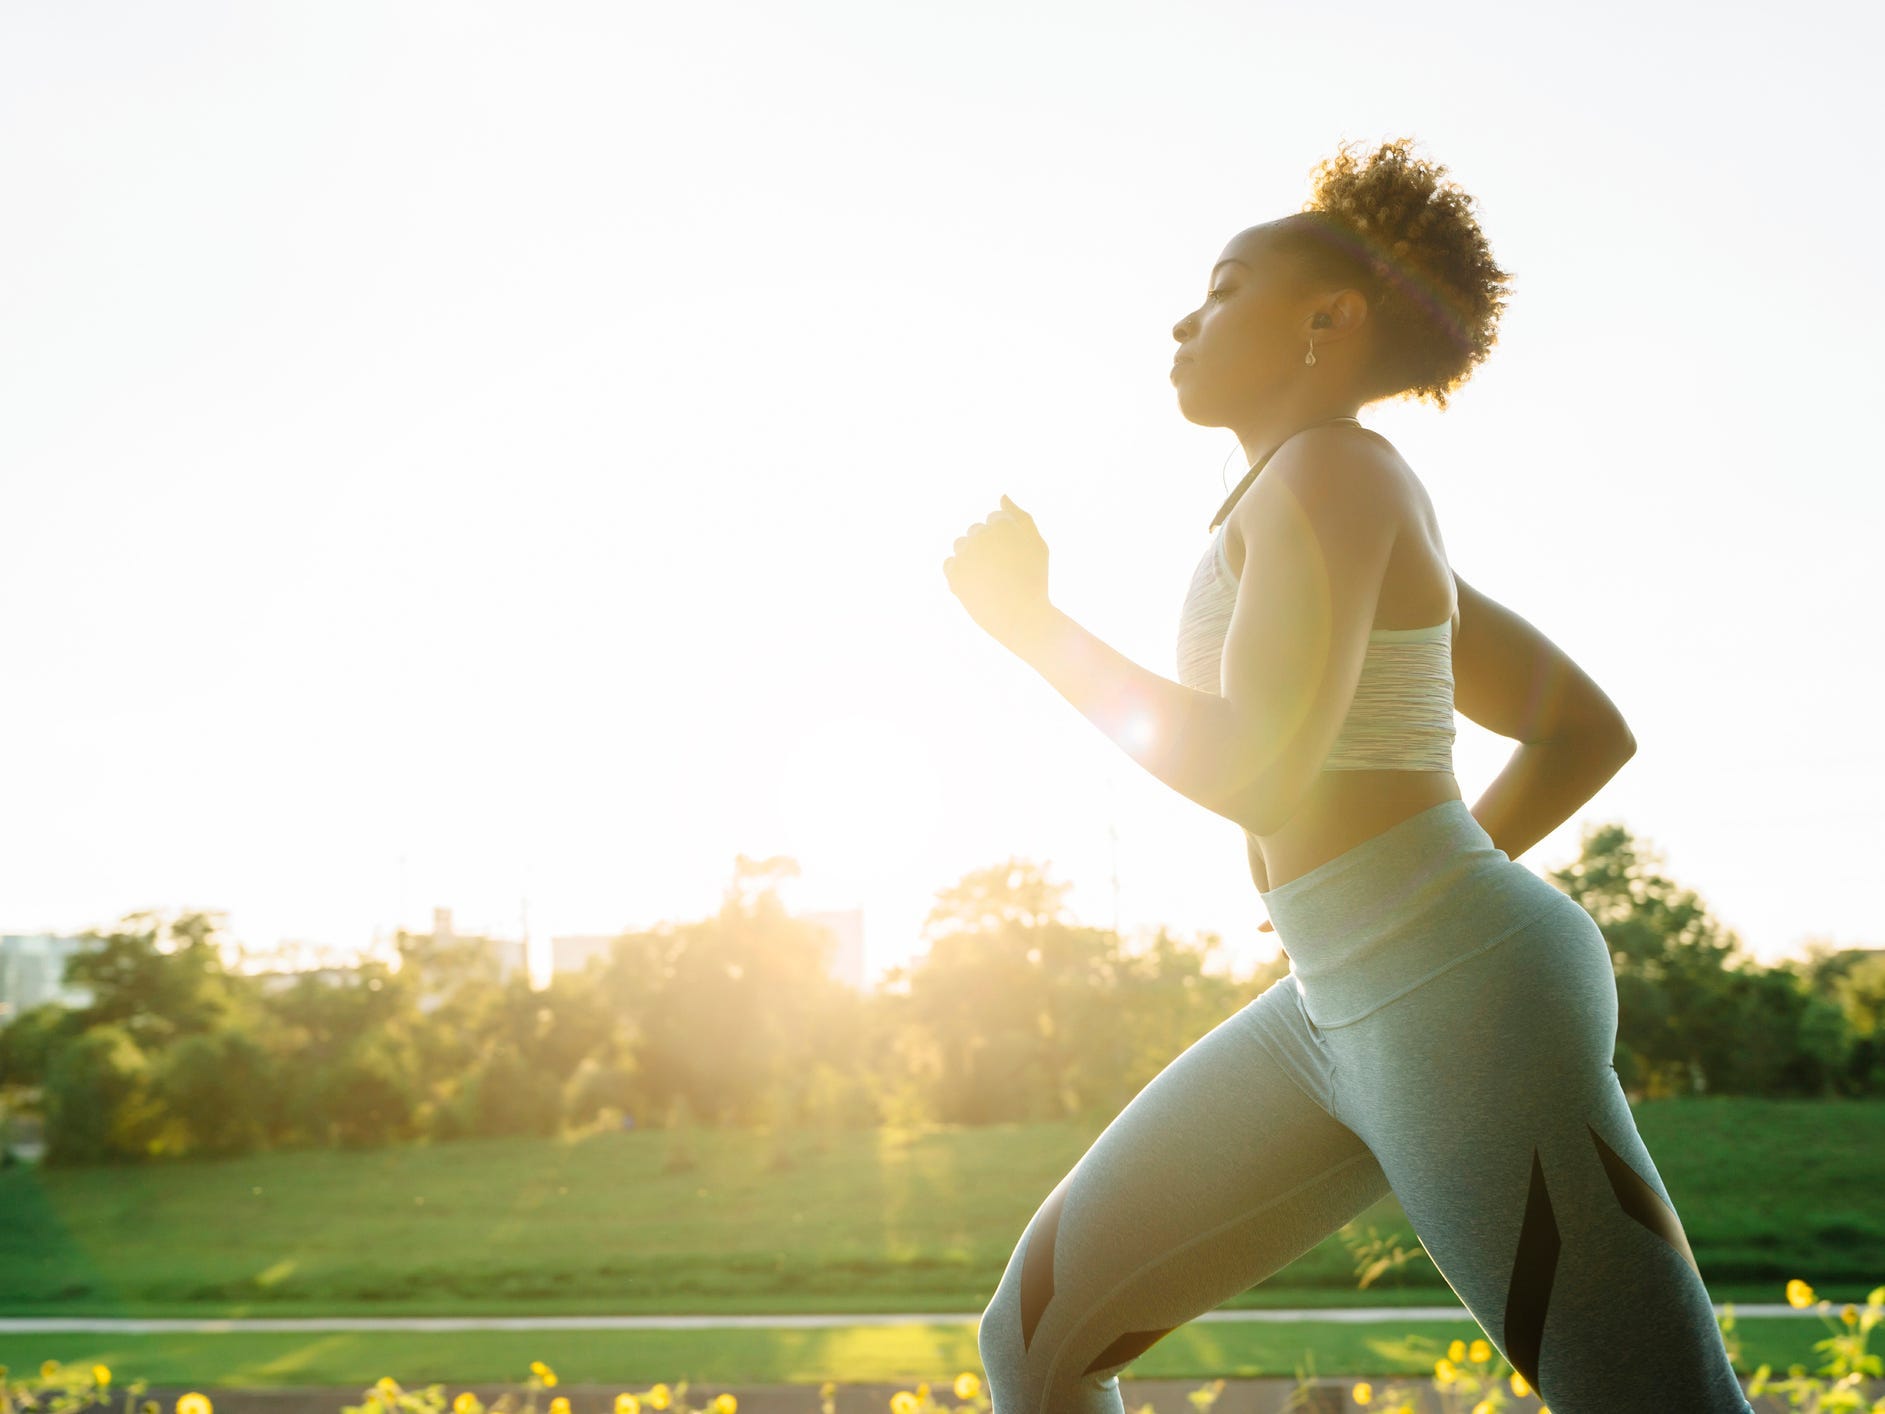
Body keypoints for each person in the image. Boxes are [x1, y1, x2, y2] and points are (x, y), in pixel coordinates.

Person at [944, 137, 1755, 1413]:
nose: (1182, 317)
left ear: (1327, 318)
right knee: (1034, 1341)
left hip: (1454, 992)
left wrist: (1029, 622)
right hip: (1334, 992)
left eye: (1220, 287)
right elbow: (1578, 727)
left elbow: (1263, 770)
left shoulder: (1336, 470)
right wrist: (1388, 892)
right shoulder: (1326, 488)